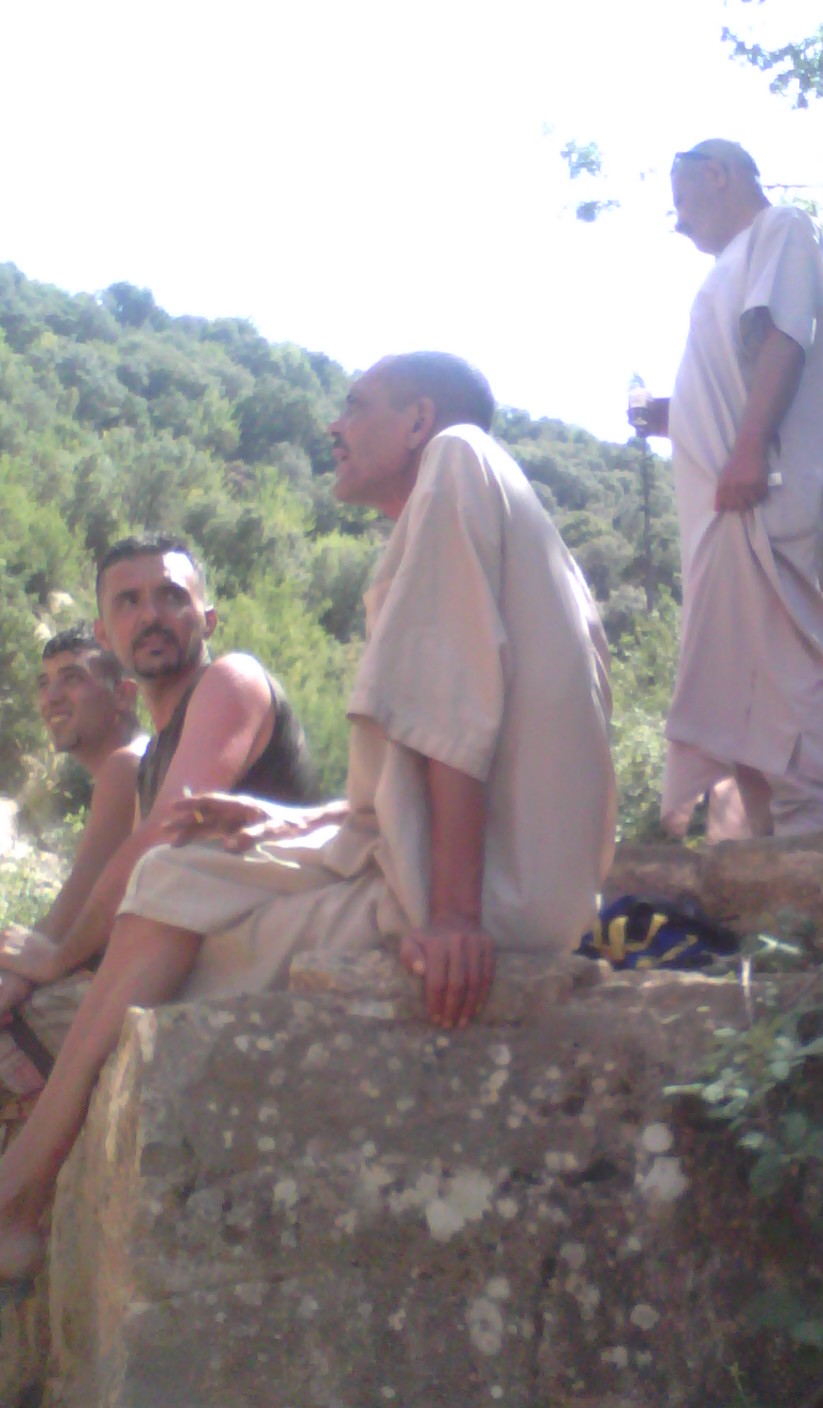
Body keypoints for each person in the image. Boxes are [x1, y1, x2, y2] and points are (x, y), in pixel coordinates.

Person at [0, 353, 615, 1294]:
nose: (335, 425)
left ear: (417, 419)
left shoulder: (457, 461)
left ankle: (21, 1188)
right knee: (192, 869)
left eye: (354, 406)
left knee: (171, 886)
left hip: (489, 884)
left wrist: (453, 913)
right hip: (462, 859)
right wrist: (294, 818)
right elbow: (444, 737)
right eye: (123, 601)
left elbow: (457, 707)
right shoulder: (464, 517)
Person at [0, 537, 319, 1064]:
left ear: (208, 619)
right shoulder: (152, 762)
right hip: (187, 971)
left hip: (250, 977)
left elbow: (112, 882)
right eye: (128, 601)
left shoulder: (142, 755)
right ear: (108, 632)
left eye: (170, 596)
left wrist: (46, 961)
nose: (52, 697)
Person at [633, 138, 823, 840]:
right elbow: (740, 373)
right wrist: (677, 416)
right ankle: (756, 859)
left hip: (761, 500)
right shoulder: (735, 263)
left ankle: (816, 838)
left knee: (789, 665)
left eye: (680, 203)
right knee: (740, 692)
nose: (677, 223)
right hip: (725, 514)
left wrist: (750, 448)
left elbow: (785, 338)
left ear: (718, 175)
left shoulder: (781, 229)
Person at [0, 631, 147, 1105]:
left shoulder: (129, 766)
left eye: (73, 678)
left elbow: (75, 906)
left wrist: (16, 974)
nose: (52, 697)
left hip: (136, 994)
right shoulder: (134, 765)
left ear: (124, 694)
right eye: (43, 683)